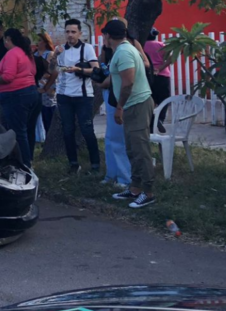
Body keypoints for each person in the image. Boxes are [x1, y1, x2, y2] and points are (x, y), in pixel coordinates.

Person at [103, 19, 156, 208]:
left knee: (141, 151)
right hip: (133, 104)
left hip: (137, 105)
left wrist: (119, 107)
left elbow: (128, 82)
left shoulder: (124, 52)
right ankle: (134, 188)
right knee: (132, 149)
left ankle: (148, 193)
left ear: (108, 36)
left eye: (104, 35)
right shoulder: (124, 50)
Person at [50, 18, 101, 174]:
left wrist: (79, 70)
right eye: (67, 32)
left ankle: (95, 165)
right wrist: (53, 56)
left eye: (73, 32)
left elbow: (96, 70)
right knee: (67, 130)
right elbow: (53, 70)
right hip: (64, 96)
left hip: (83, 96)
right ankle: (73, 164)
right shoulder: (61, 50)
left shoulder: (87, 48)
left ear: (80, 33)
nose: (70, 35)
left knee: (86, 129)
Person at [0, 28, 40, 164]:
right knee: (24, 130)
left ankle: (24, 164)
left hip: (16, 95)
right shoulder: (26, 53)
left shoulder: (13, 53)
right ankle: (24, 159)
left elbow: (8, 76)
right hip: (30, 93)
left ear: (8, 39)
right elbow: (33, 71)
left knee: (17, 132)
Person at [94, 43, 132, 187]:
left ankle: (125, 178)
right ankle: (111, 174)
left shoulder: (126, 50)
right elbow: (103, 65)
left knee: (118, 139)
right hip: (109, 94)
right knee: (110, 138)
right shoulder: (109, 49)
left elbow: (118, 76)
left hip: (120, 96)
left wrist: (104, 82)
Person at [144, 29, 172, 132]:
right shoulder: (161, 45)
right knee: (164, 100)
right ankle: (160, 119)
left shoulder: (142, 46)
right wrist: (160, 68)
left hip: (148, 76)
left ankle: (151, 123)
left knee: (150, 100)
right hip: (163, 75)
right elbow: (170, 58)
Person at [35, 33, 58, 136]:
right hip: (37, 84)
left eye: (39, 40)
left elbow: (52, 71)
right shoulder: (34, 54)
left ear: (45, 42)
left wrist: (44, 81)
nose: (37, 43)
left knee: (48, 111)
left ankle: (51, 135)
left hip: (47, 85)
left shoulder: (49, 54)